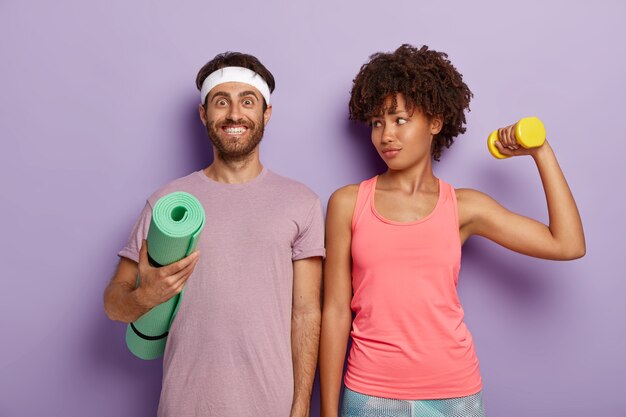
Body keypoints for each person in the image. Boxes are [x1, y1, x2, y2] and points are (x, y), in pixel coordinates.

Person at [319, 44, 585, 417]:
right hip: (369, 392)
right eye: (377, 122)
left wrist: (541, 151)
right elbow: (335, 311)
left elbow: (568, 244)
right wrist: (328, 411)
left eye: (399, 119)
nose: (385, 135)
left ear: (436, 121)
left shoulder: (463, 206)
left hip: (454, 393)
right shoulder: (347, 203)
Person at [104, 51, 325, 417]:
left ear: (266, 113)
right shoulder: (167, 203)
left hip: (271, 404)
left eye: (248, 102)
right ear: (204, 114)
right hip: (185, 403)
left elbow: (305, 313)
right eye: (221, 102)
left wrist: (301, 405)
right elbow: (114, 304)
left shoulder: (301, 203)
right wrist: (146, 296)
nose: (235, 114)